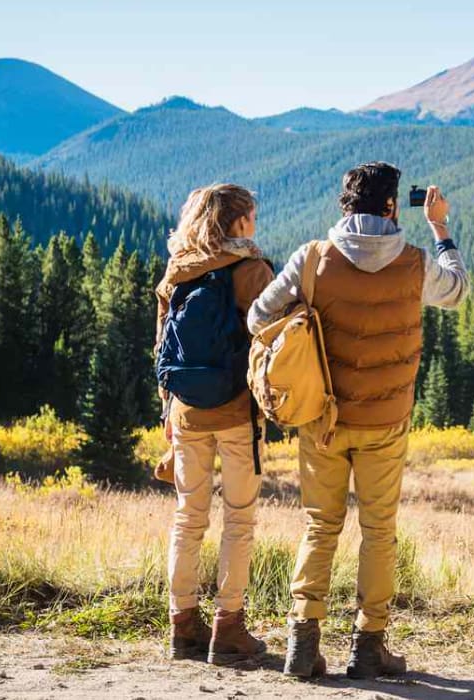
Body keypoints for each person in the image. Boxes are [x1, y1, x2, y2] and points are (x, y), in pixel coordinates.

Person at [247, 162, 470, 679]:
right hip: (385, 421)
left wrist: (305, 320)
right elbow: (457, 291)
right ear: (393, 207)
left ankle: (303, 645)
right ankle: (368, 646)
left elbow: (259, 317)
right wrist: (440, 228)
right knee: (378, 530)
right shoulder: (415, 263)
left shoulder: (311, 258)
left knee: (320, 525)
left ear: (344, 205)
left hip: (322, 416)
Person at [154, 184, 274, 665]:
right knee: (238, 519)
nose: (255, 225)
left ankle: (183, 626)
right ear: (239, 222)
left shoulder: (178, 272)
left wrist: (167, 409)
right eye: (253, 217)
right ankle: (229, 628)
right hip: (236, 410)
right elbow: (273, 344)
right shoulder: (252, 270)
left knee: (188, 518)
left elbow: (162, 346)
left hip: (185, 410)